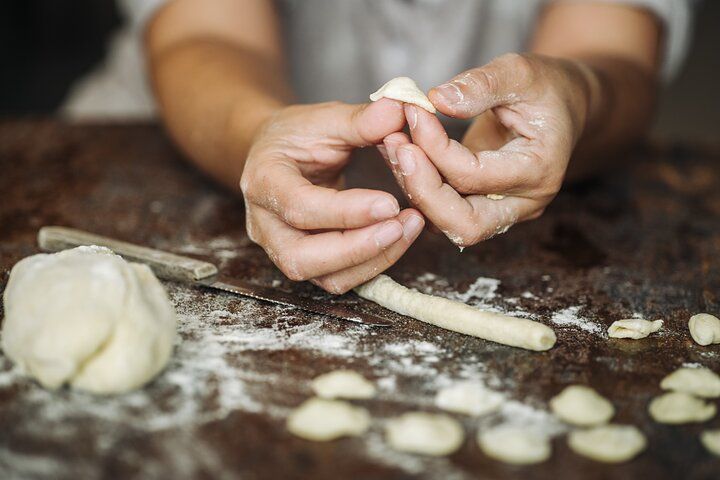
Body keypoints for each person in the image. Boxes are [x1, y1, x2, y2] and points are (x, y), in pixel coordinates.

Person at [64, 0, 695, 294]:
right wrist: (255, 134)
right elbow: (202, 31)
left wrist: (576, 92)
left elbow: (616, 50)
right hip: (175, 127)